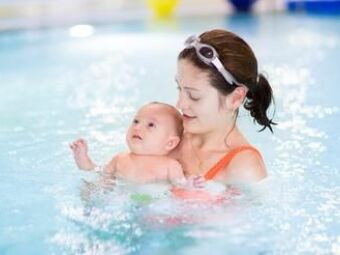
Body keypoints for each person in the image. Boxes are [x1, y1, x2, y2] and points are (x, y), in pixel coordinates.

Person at [170, 29, 275, 192]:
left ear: (236, 98)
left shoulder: (243, 168)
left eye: (194, 95)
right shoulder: (170, 134)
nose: (180, 104)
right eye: (180, 88)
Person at [70, 102, 186, 184]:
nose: (137, 127)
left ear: (169, 143)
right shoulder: (120, 159)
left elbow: (182, 190)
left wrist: (195, 185)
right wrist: (83, 158)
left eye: (151, 125)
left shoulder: (170, 166)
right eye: (136, 121)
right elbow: (97, 173)